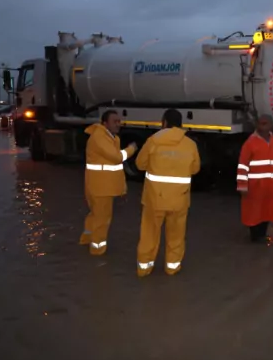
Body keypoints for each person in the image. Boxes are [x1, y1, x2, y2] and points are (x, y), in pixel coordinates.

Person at [134, 109, 201, 277]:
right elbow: (195, 168)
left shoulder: (153, 141)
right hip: (179, 200)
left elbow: (140, 164)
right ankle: (172, 268)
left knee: (149, 234)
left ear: (164, 122)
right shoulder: (190, 145)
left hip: (154, 199)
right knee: (176, 235)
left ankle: (144, 269)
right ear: (181, 124)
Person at [80, 110, 137, 256]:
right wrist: (131, 149)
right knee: (102, 219)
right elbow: (116, 158)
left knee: (95, 215)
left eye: (119, 121)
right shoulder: (100, 137)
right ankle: (97, 251)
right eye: (115, 121)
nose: (118, 124)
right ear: (104, 123)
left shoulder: (111, 138)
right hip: (100, 187)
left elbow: (114, 166)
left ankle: (87, 240)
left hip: (101, 185)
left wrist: (121, 189)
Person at [236, 114, 273, 242]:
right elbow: (243, 166)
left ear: (271, 125)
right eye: (261, 123)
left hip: (271, 187)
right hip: (255, 187)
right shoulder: (249, 143)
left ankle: (262, 235)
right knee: (254, 212)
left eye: (266, 123)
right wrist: (242, 186)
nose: (263, 126)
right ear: (257, 125)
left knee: (267, 211)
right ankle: (255, 237)